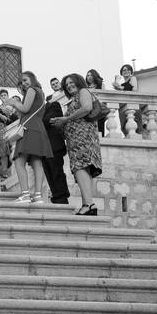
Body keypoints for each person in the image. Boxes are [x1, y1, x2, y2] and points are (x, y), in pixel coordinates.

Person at [50, 73, 102, 215]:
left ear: (79, 82)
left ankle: (89, 204)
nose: (69, 86)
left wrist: (66, 119)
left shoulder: (84, 91)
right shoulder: (74, 98)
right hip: (77, 140)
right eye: (67, 85)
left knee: (80, 168)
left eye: (72, 82)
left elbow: (86, 108)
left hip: (83, 138)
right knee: (82, 170)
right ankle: (87, 204)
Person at [2, 71, 52, 203]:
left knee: (19, 161)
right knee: (37, 162)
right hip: (38, 127)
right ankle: (38, 195)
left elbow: (24, 108)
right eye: (21, 82)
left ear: (32, 78)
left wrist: (13, 102)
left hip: (29, 127)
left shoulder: (31, 90)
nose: (23, 83)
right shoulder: (40, 92)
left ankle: (25, 194)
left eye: (25, 80)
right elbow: (28, 111)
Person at [41, 77, 70, 204]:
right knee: (48, 173)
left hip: (54, 145)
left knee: (57, 171)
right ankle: (55, 196)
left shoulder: (54, 105)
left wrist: (37, 121)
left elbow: (50, 120)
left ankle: (62, 197)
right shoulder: (36, 112)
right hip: (43, 147)